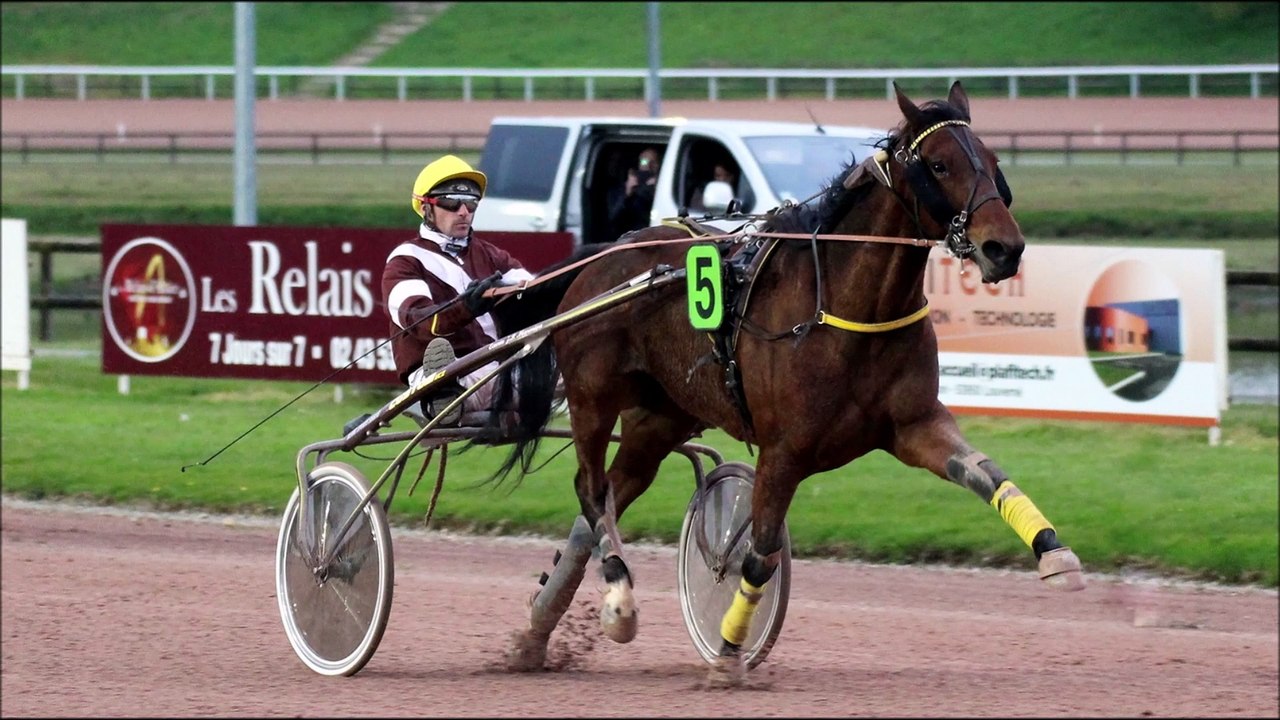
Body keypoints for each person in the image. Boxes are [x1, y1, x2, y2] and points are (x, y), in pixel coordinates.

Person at [382, 154, 533, 426]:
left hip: (494, 368)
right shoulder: (405, 261)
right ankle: (442, 392)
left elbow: (535, 293)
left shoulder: (491, 255)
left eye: (471, 202)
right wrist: (466, 308)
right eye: (452, 202)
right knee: (459, 372)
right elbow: (418, 321)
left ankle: (455, 398)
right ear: (426, 207)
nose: (464, 211)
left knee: (572, 365)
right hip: (445, 373)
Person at [605, 147, 661, 241]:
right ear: (638, 164)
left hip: (651, 236)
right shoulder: (619, 190)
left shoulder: (663, 187)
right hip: (626, 237)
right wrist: (627, 193)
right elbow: (613, 218)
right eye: (644, 161)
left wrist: (657, 189)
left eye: (653, 162)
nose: (648, 166)